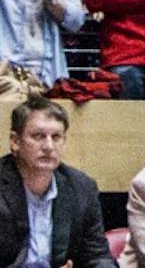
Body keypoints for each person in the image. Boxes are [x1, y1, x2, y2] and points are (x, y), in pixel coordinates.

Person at [0, 96, 114, 268]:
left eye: (56, 137)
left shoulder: (81, 187)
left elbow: (98, 256)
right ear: (15, 141)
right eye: (38, 136)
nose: (49, 146)